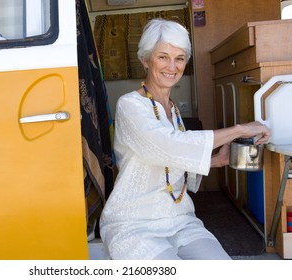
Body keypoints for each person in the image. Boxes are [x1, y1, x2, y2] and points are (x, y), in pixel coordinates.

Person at [99, 18, 270, 260]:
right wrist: (240, 129)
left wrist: (215, 161)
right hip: (134, 223)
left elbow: (170, 161)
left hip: (179, 219)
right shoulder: (129, 105)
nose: (172, 66)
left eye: (179, 58)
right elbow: (169, 145)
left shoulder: (173, 110)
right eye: (163, 57)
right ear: (145, 60)